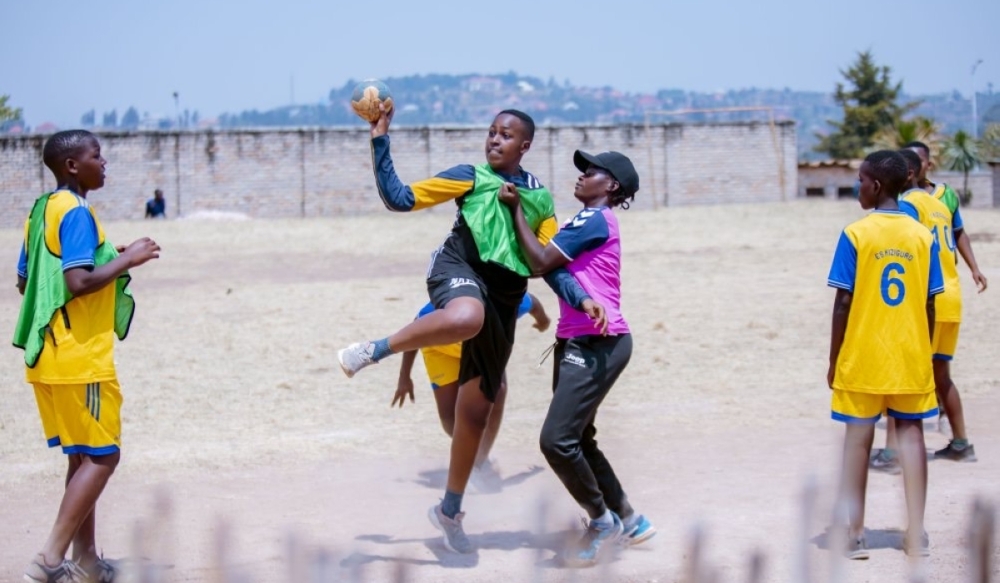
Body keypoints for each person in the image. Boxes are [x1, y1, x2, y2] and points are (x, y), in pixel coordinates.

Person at [336, 105, 604, 554]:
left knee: (475, 415)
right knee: (465, 316)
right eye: (491, 132)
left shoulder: (539, 199)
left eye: (506, 135)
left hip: (503, 298)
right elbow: (399, 197)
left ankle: (449, 510)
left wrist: (580, 298)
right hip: (456, 270)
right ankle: (374, 350)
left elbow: (549, 265)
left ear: (525, 146)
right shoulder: (470, 177)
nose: (495, 140)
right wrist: (380, 137)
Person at [13, 130, 161, 582]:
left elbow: (28, 281)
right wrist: (129, 258)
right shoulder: (77, 212)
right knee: (103, 457)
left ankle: (88, 562)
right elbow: (77, 282)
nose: (105, 162)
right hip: (80, 358)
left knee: (81, 458)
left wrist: (104, 256)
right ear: (72, 166)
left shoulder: (41, 210)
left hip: (48, 356)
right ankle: (49, 560)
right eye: (97, 156)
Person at [498, 150, 655, 567]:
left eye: (592, 172)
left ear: (612, 186)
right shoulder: (579, 222)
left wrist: (515, 211)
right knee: (579, 438)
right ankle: (629, 519)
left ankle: (602, 524)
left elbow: (539, 261)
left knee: (557, 440)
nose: (582, 176)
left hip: (598, 341)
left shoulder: (593, 219)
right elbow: (551, 268)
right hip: (579, 339)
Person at [827, 150, 943, 560]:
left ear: (875, 185)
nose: (858, 187)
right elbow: (930, 303)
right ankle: (916, 533)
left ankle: (856, 535)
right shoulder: (921, 236)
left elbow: (844, 302)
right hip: (910, 356)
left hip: (863, 356)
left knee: (857, 441)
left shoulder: (857, 233)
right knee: (911, 438)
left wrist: (833, 357)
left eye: (860, 180)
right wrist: (924, 352)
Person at [869, 143, 988, 472]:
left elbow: (909, 251)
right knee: (941, 374)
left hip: (928, 298)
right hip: (951, 295)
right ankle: (961, 444)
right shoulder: (935, 203)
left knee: (902, 372)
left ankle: (893, 454)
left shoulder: (908, 204)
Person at [392, 292, 550, 492]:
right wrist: (404, 377)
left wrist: (543, 321)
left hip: (482, 353)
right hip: (441, 351)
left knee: (497, 393)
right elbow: (413, 333)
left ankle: (477, 464)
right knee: (450, 419)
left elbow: (533, 302)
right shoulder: (440, 311)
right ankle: (474, 451)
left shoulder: (506, 301)